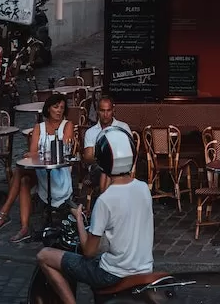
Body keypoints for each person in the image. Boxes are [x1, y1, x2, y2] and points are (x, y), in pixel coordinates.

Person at [36, 126, 154, 304]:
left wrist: (78, 220)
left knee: (44, 255)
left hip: (112, 274)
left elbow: (89, 251)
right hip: (145, 269)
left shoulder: (105, 200)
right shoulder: (143, 188)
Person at [0, 93, 76, 242]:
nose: (59, 110)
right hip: (42, 171)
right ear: (48, 109)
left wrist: (35, 154)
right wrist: (35, 154)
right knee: (23, 180)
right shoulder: (39, 127)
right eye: (56, 107)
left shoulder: (67, 125)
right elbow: (33, 153)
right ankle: (24, 228)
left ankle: (4, 212)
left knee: (20, 170)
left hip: (59, 172)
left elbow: (62, 152)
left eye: (62, 107)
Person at [83, 97, 131, 164]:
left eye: (108, 110)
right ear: (97, 111)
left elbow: (129, 153)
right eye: (102, 111)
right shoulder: (90, 132)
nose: (105, 115)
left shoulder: (123, 127)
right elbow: (88, 157)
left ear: (113, 110)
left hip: (120, 166)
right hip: (98, 168)